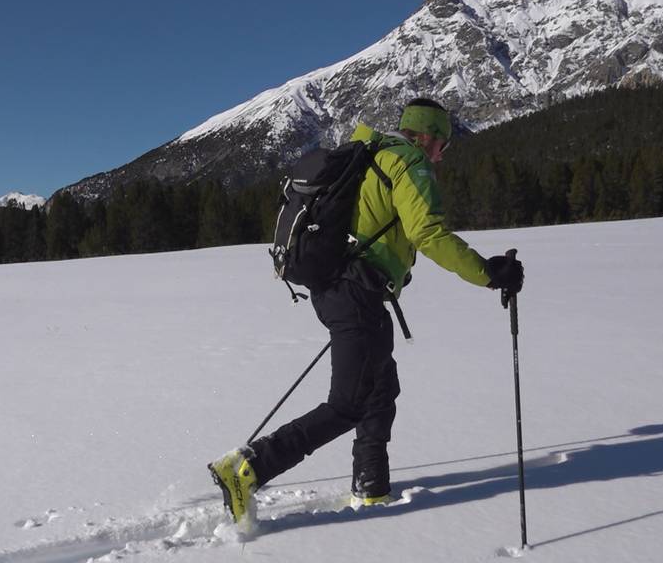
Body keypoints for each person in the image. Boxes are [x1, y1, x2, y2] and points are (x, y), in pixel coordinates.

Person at [208, 98, 525, 524]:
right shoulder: (408, 164)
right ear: (428, 137)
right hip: (355, 292)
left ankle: (372, 486)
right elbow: (428, 234)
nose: (442, 155)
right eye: (443, 145)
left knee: (379, 387)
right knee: (347, 404)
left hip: (339, 287)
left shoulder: (368, 153)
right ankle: (250, 467)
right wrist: (488, 273)